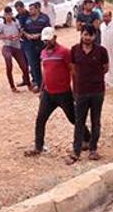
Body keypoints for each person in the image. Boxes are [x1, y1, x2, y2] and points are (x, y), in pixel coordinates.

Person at [25, 27, 90, 157]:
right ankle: (38, 147)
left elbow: (73, 71)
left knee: (73, 118)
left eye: (49, 40)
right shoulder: (43, 53)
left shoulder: (65, 52)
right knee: (40, 119)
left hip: (64, 93)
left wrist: (76, 90)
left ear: (55, 38)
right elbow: (45, 73)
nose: (47, 43)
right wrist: (42, 89)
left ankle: (87, 138)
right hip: (48, 94)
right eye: (45, 41)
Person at [67, 25, 108, 164]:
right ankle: (76, 151)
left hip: (97, 91)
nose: (87, 38)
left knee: (95, 121)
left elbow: (105, 68)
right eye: (85, 34)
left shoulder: (101, 51)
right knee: (79, 121)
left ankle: (93, 149)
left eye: (90, 35)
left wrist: (94, 78)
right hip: (80, 91)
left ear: (95, 36)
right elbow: (72, 67)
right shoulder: (74, 50)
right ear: (81, 35)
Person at [0, 6, 31, 92]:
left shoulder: (16, 22)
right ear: (4, 15)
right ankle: (12, 86)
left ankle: (29, 84)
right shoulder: (1, 24)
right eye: (7, 15)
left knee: (24, 66)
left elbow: (21, 31)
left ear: (12, 14)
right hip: (7, 46)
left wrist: (18, 36)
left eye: (10, 14)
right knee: (9, 64)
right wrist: (6, 37)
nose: (8, 16)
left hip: (17, 46)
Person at [22, 2, 51, 92]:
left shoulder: (44, 18)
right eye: (30, 9)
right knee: (34, 66)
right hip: (30, 44)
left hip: (42, 43)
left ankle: (48, 84)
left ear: (38, 9)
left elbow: (48, 30)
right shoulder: (27, 19)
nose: (30, 11)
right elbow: (22, 30)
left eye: (32, 9)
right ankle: (39, 85)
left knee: (47, 64)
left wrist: (39, 35)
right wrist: (27, 35)